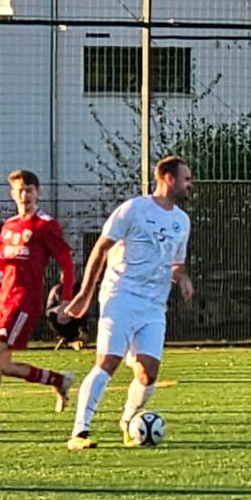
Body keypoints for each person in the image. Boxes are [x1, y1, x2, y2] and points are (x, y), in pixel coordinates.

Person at [64, 156, 194, 450]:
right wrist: (85, 293)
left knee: (148, 373)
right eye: (186, 179)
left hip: (154, 306)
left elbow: (176, 265)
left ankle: (128, 421)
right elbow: (101, 248)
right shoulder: (134, 209)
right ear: (168, 179)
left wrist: (182, 279)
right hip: (120, 296)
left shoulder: (181, 221)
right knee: (107, 362)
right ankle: (79, 433)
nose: (190, 185)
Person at [0, 169, 76, 434]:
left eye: (28, 189)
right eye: (19, 190)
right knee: (2, 364)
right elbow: (7, 263)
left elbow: (67, 263)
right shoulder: (9, 226)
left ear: (38, 192)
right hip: (5, 298)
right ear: (12, 194)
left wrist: (67, 300)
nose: (23, 195)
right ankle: (59, 380)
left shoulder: (45, 225)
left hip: (25, 300)